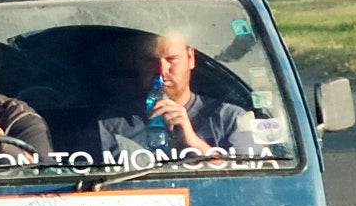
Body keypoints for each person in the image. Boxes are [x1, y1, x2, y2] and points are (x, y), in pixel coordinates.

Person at [98, 33, 254, 155]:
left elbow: (253, 183)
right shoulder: (108, 125)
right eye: (150, 60)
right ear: (135, 63)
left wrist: (194, 143)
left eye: (172, 59)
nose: (161, 71)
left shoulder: (229, 119)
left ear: (190, 58)